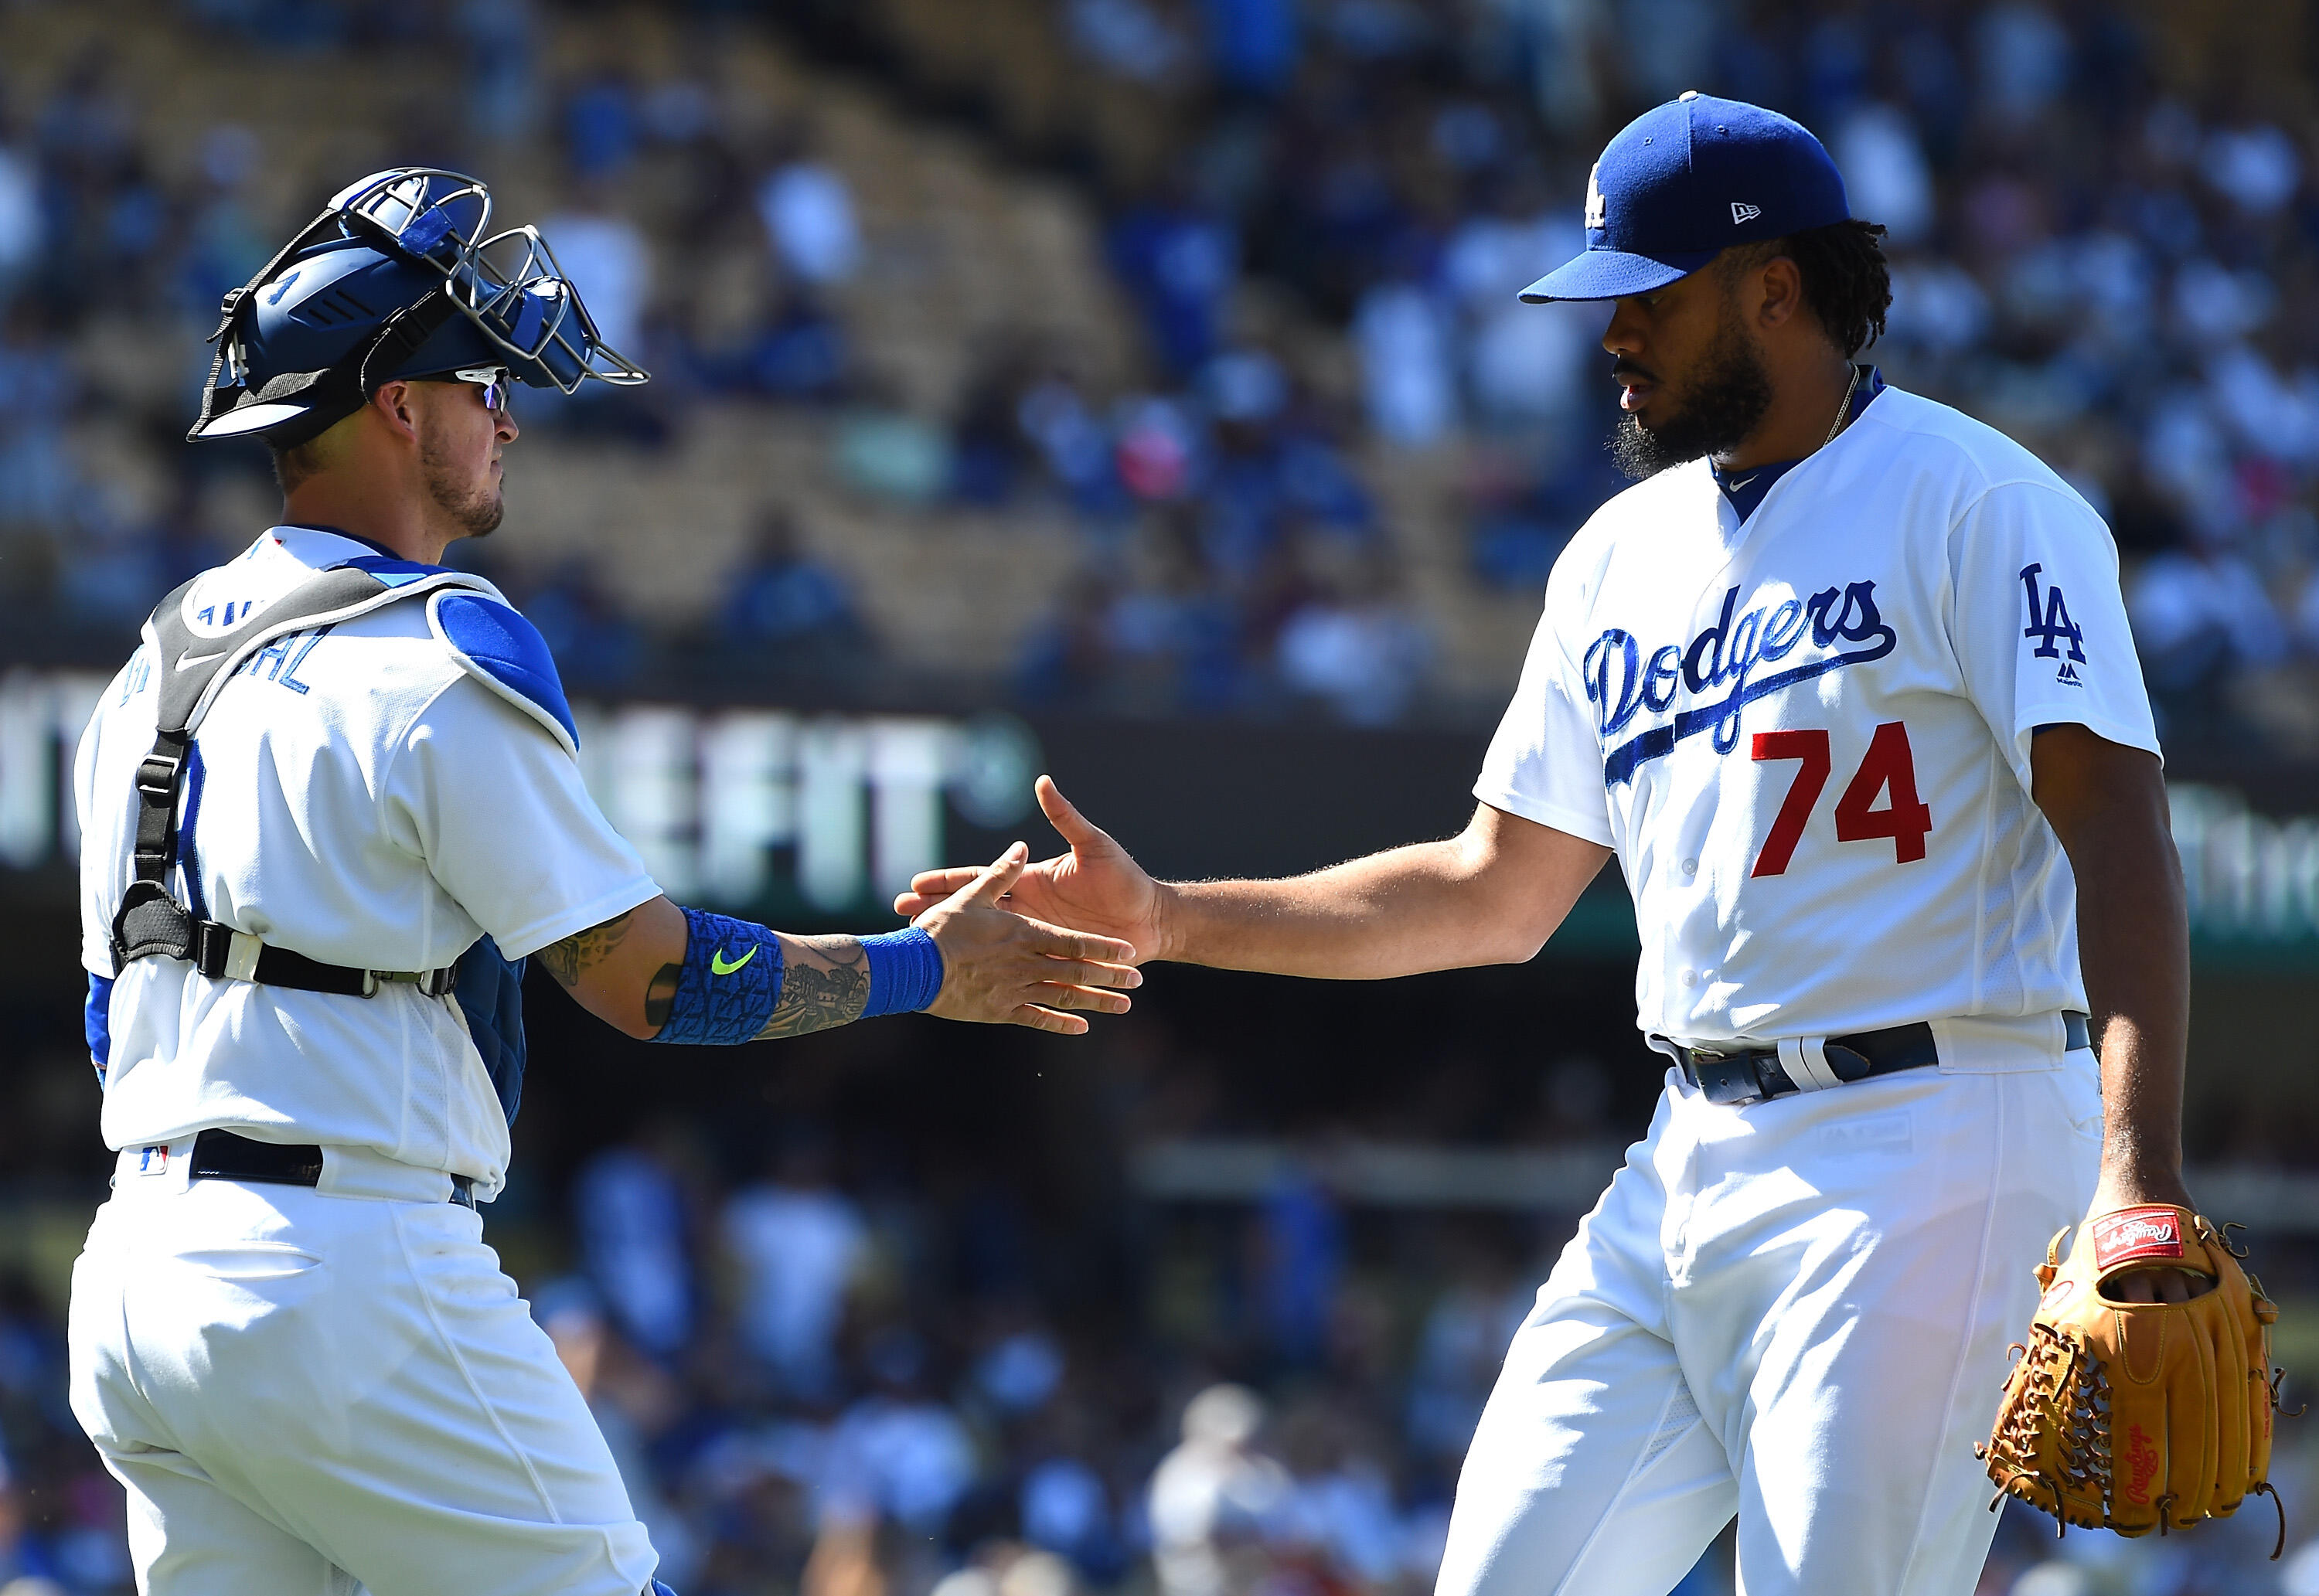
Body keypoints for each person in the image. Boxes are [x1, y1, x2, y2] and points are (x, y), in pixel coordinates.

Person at [899, 97, 2197, 1594]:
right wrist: (1171, 915)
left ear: (1775, 287)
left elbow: (2120, 831)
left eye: (1647, 294)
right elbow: (1491, 889)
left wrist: (2135, 1178)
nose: (1611, 334)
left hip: (1935, 1134)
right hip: (1686, 1148)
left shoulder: (1982, 503)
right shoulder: (1615, 559)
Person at [67, 168, 1139, 1596]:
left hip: (137, 1275)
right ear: (397, 402)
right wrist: (928, 967)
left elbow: (101, 1020)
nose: (508, 412)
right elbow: (655, 982)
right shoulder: (436, 647)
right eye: (482, 381)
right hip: (342, 1272)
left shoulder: (147, 674)